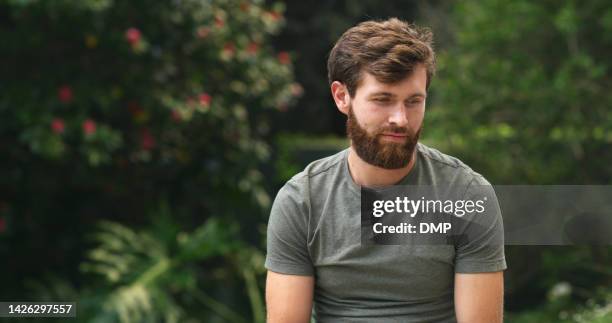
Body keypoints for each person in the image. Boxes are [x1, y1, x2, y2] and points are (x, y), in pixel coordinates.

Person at [265, 17, 506, 323]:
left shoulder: (467, 195)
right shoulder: (302, 201)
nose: (400, 119)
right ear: (342, 97)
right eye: (383, 99)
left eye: (414, 101)